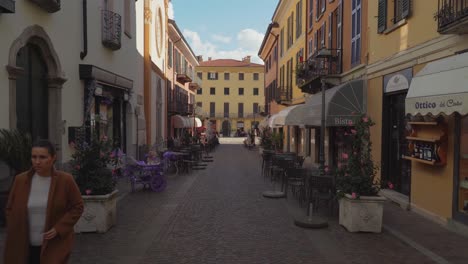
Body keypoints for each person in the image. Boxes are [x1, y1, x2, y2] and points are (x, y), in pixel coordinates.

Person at [4, 139, 84, 264]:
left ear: (53, 158)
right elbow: (10, 208)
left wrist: (59, 228)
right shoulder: (21, 180)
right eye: (34, 157)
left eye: (42, 157)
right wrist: (15, 228)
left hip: (52, 246)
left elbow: (77, 206)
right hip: (23, 245)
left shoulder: (65, 180)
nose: (37, 162)